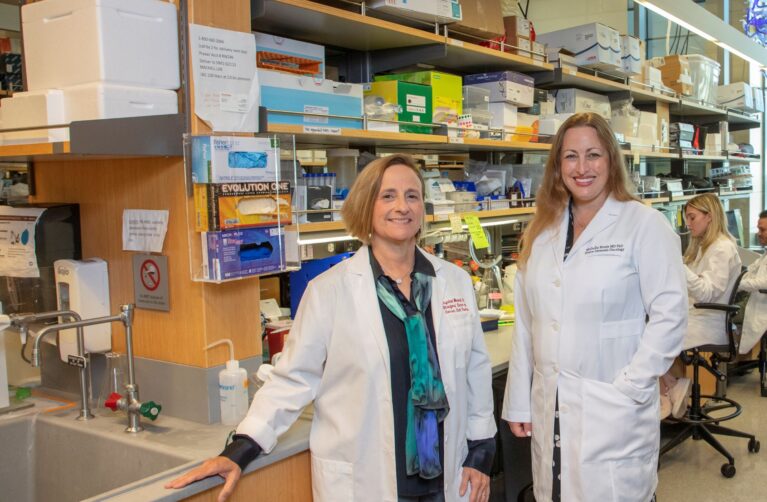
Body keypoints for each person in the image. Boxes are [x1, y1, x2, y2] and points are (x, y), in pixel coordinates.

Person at [166, 153, 497, 502]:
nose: (402, 206)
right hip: (366, 481)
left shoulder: (453, 282)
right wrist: (240, 450)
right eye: (388, 196)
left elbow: (475, 371)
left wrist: (480, 454)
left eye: (412, 195)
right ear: (366, 207)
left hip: (447, 478)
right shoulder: (329, 292)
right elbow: (293, 378)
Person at [502, 112, 687, 502]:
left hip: (613, 407)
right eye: (570, 156)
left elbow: (670, 317)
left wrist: (630, 387)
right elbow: (528, 325)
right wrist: (520, 399)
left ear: (611, 160)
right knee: (554, 492)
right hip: (549, 405)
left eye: (593, 155)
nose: (582, 168)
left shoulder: (643, 224)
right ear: (557, 166)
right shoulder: (542, 230)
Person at [659, 194, 743, 418]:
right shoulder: (703, 247)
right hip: (694, 316)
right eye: (687, 218)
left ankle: (670, 391)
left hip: (708, 323)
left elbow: (707, 292)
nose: (688, 224)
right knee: (648, 330)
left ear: (710, 216)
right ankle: (672, 388)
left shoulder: (722, 248)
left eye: (692, 217)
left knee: (652, 338)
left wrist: (676, 263)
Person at [736, 209, 767, 355]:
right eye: (759, 229)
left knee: (720, 315)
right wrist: (737, 280)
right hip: (754, 298)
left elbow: (763, 282)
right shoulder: (764, 255)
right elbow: (751, 271)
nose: (759, 233)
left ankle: (727, 359)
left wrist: (737, 284)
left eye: (763, 230)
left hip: (762, 306)